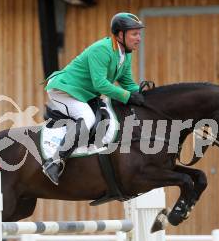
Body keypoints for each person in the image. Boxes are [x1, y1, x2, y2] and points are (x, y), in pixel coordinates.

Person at [42, 12, 146, 185]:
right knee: (88, 119)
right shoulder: (102, 49)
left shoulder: (125, 54)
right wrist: (128, 96)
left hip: (83, 94)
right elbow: (101, 85)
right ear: (120, 34)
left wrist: (145, 95)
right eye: (134, 34)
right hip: (64, 90)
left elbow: (128, 83)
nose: (139, 38)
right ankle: (53, 162)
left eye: (139, 33)